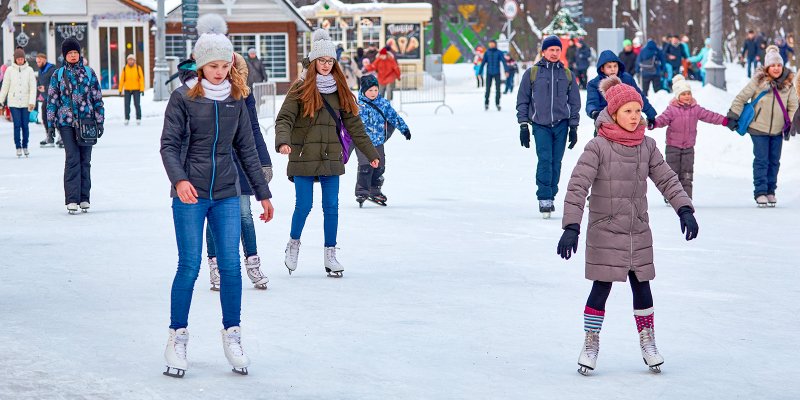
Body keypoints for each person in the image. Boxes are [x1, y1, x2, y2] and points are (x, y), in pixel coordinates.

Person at [557, 75, 698, 376]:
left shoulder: (647, 146)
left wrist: (684, 208)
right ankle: (591, 341)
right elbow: (577, 186)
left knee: (642, 286)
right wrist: (571, 226)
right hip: (605, 229)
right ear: (614, 113)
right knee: (601, 287)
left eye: (637, 110)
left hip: (637, 230)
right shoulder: (597, 146)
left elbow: (666, 178)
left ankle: (648, 341)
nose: (634, 117)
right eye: (627, 111)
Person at [159, 30, 274, 378]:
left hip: (226, 191)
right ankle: (177, 336)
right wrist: (179, 180)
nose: (220, 71)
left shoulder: (235, 99)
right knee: (190, 266)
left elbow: (246, 149)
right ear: (200, 64)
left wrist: (263, 193)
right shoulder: (182, 98)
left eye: (225, 65)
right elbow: (168, 144)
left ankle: (233, 334)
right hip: (190, 194)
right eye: (213, 65)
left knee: (230, 267)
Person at [275, 29, 380, 278]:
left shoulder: (340, 90)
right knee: (304, 205)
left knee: (331, 207)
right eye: (321, 61)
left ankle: (330, 254)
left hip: (330, 155)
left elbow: (355, 126)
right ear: (313, 62)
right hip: (303, 155)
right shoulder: (299, 89)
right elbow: (284, 119)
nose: (325, 65)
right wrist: (283, 142)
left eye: (330, 61)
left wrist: (370, 152)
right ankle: (293, 244)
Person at [516, 35, 581, 218]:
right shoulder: (532, 73)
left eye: (557, 50)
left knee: (556, 161)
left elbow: (575, 102)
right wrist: (523, 125)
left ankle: (552, 193)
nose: (554, 53)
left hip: (561, 125)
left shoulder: (567, 74)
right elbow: (523, 100)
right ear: (543, 52)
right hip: (540, 124)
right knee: (545, 159)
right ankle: (544, 197)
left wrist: (573, 127)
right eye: (550, 50)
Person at [727, 46, 798, 208]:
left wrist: (792, 123)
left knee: (774, 161)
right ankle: (760, 192)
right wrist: (733, 115)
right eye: (773, 65)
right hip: (758, 128)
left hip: (778, 130)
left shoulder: (788, 84)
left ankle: (771, 191)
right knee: (762, 160)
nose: (776, 68)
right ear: (767, 67)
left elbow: (793, 106)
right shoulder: (758, 81)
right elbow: (741, 98)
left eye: (779, 65)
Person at [46, 37, 104, 214]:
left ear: (80, 54)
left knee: (85, 160)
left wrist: (99, 121)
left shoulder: (88, 72)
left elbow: (97, 98)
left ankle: (84, 198)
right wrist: (50, 124)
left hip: (87, 123)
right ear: (64, 55)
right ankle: (72, 199)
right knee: (72, 158)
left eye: (75, 52)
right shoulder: (58, 74)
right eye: (69, 53)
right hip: (66, 123)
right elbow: (52, 100)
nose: (73, 55)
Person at [651, 75, 730, 199]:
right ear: (677, 96)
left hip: (688, 147)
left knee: (687, 173)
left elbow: (710, 115)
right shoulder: (672, 110)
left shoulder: (696, 109)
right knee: (673, 172)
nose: (687, 96)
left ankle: (686, 196)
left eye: (689, 93)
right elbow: (662, 119)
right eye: (683, 94)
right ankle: (671, 195)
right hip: (673, 147)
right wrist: (654, 123)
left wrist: (724, 120)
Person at [354, 75, 410, 207]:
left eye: (375, 90)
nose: (373, 93)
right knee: (365, 166)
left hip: (378, 141)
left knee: (379, 166)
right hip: (362, 142)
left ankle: (374, 190)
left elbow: (394, 117)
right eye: (370, 90)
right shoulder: (358, 106)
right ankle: (362, 192)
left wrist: (404, 129)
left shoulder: (383, 104)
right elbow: (350, 123)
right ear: (363, 91)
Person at [586, 50, 657, 130]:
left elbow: (639, 97)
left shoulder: (626, 79)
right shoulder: (594, 84)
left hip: (627, 120)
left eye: (615, 66)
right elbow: (591, 102)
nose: (613, 69)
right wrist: (594, 113)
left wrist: (651, 115)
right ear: (602, 68)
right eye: (609, 67)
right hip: (606, 122)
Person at [0, 48, 37, 157]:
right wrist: (1, 100)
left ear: (24, 59)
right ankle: (18, 147)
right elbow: (5, 86)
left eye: (22, 59)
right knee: (17, 125)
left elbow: (33, 87)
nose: (20, 61)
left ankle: (25, 146)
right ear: (15, 59)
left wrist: (31, 102)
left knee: (25, 125)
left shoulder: (29, 70)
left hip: (26, 103)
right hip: (14, 102)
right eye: (18, 59)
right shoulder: (10, 70)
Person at [479, 40, 508, 110]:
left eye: (492, 44)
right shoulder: (487, 52)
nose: (491, 45)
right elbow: (483, 63)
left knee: (498, 89)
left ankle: (497, 103)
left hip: (497, 73)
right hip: (489, 73)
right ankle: (486, 103)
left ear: (495, 44)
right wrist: (480, 72)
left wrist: (506, 71)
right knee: (487, 89)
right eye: (490, 44)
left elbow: (504, 62)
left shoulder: (499, 52)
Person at [36, 53, 56, 147]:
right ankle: (49, 137)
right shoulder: (40, 71)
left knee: (56, 117)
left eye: (39, 61)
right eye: (37, 62)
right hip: (46, 98)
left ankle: (61, 137)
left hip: (55, 98)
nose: (38, 63)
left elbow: (55, 84)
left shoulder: (52, 69)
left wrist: (46, 88)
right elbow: (39, 83)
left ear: (44, 60)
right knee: (44, 117)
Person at [118, 54, 144, 126]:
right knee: (127, 104)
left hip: (136, 89)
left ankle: (138, 118)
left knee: (137, 104)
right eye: (129, 60)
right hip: (127, 89)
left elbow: (141, 79)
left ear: (134, 61)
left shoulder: (138, 68)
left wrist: (142, 89)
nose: (130, 61)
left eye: (132, 60)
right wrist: (120, 90)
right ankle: (127, 118)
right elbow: (122, 80)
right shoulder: (125, 69)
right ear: (127, 61)